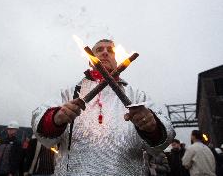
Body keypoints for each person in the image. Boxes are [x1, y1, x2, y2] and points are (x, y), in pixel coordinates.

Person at [31, 39, 175, 175]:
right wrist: (55, 119)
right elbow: (41, 127)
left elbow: (164, 137)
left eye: (110, 50)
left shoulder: (137, 96)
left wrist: (152, 127)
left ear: (116, 59)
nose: (105, 52)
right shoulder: (69, 93)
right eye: (99, 49)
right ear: (90, 60)